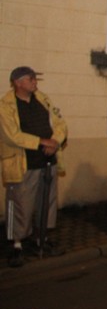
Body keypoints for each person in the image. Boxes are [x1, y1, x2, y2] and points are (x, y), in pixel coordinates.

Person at [1, 66, 67, 267]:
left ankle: (42, 238)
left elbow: (60, 124)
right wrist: (40, 142)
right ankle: (16, 244)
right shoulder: (6, 106)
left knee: (46, 203)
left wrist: (55, 141)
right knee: (20, 203)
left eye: (34, 78)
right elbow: (12, 136)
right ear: (18, 82)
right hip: (23, 163)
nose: (34, 82)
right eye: (30, 79)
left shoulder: (43, 99)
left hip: (47, 162)